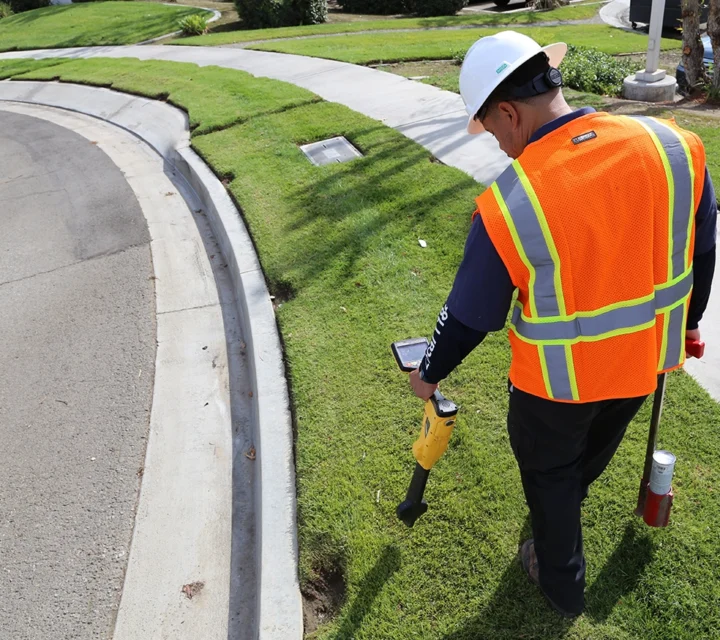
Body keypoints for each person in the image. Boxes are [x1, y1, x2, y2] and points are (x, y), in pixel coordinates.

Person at [408, 30, 717, 618]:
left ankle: (560, 586)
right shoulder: (673, 145)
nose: (498, 145)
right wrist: (692, 322)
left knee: (549, 479)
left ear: (507, 111)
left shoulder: (513, 201)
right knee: (588, 460)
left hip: (553, 393)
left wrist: (428, 373)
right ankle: (567, 507)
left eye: (493, 131)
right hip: (641, 367)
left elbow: (470, 315)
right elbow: (702, 246)